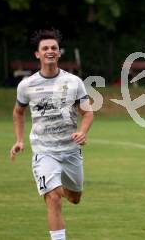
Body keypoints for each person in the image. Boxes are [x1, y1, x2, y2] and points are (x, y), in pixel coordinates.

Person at [10, 29, 93, 240]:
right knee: (54, 198)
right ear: (37, 54)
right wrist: (19, 140)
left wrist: (82, 132)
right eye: (45, 48)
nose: (50, 51)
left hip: (70, 151)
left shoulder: (74, 82)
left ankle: (57, 184)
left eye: (53, 48)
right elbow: (18, 112)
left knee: (74, 198)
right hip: (44, 151)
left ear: (58, 53)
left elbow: (87, 112)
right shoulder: (26, 85)